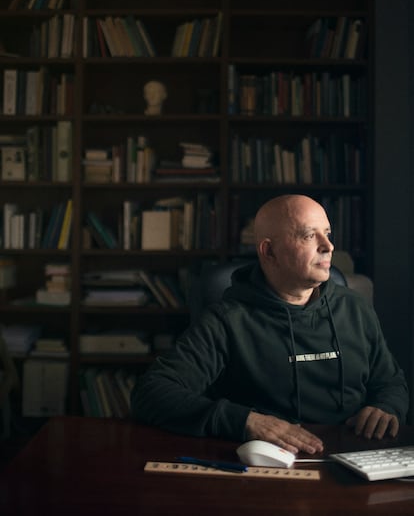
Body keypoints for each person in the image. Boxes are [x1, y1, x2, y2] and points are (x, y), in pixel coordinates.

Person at [131, 194, 409, 455]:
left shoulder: (355, 308)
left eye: (328, 233)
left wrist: (386, 407)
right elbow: (152, 393)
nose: (328, 246)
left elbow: (390, 381)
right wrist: (247, 421)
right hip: (271, 464)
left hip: (354, 456)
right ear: (269, 251)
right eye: (310, 235)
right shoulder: (227, 320)